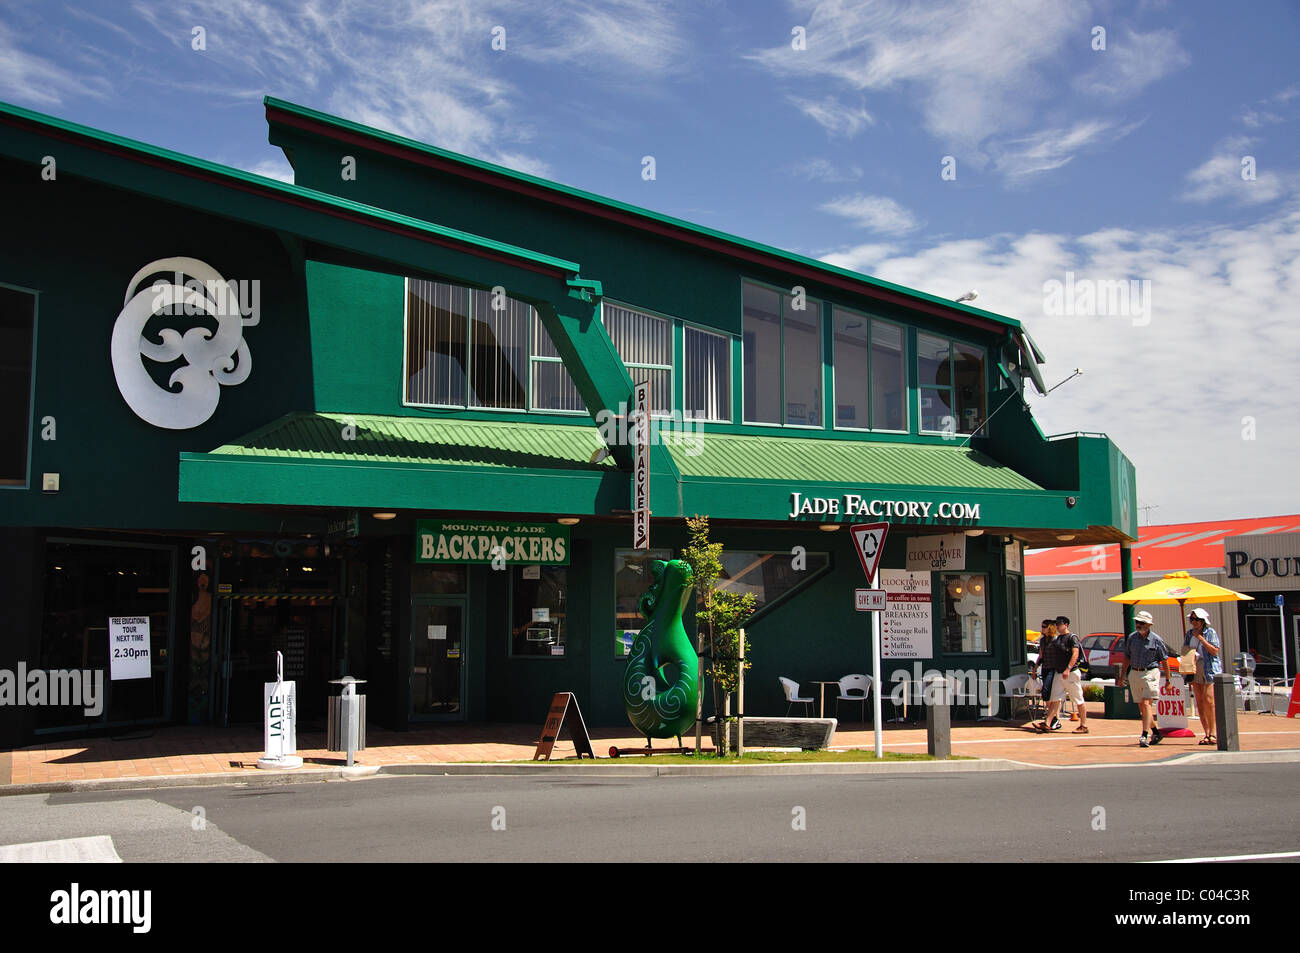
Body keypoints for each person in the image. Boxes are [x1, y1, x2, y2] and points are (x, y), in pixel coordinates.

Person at [1121, 610, 1171, 747]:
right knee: (1142, 707)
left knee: (1147, 703)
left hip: (1150, 672)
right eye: (1137, 622)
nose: (1138, 625)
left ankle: (1144, 735)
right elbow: (1127, 657)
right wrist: (1122, 676)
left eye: (1142, 623)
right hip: (1135, 673)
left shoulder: (1156, 640)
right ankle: (1155, 731)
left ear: (1149, 624)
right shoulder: (1132, 638)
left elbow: (1164, 660)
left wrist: (1168, 679)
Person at [1037, 617, 1088, 733]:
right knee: (1055, 698)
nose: (1058, 627)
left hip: (1070, 673)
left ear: (1066, 625)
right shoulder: (1058, 638)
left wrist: (1068, 668)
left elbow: (1075, 654)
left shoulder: (1072, 638)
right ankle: (1047, 723)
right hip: (1059, 673)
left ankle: (1083, 725)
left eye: (1060, 624)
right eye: (1057, 625)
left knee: (1078, 699)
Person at [1184, 607, 1221, 745]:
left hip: (1209, 668)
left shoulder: (1210, 632)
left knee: (1209, 700)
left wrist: (1201, 639)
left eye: (1196, 619)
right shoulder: (1189, 634)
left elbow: (1214, 651)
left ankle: (1213, 732)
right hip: (1194, 667)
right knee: (1199, 701)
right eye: (1191, 619)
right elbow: (1186, 649)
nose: (1193, 622)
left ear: (1202, 621)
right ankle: (1206, 733)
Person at [1036, 620, 1063, 730]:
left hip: (1054, 669)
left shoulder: (1056, 640)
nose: (1042, 628)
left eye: (1044, 626)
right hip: (1045, 668)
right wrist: (1035, 669)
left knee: (1050, 692)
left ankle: (1052, 719)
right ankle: (1055, 720)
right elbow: (1041, 655)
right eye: (1042, 626)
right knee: (1046, 694)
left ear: (1050, 627)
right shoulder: (1043, 641)